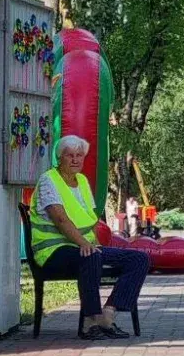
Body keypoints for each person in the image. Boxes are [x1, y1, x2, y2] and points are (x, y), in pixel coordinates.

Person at [30, 135, 151, 340]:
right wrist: (84, 243)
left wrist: (90, 244)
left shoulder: (83, 181)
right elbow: (60, 219)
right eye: (70, 156)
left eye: (80, 156)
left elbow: (88, 219)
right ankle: (90, 320)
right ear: (60, 157)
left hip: (82, 246)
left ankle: (108, 314)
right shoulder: (48, 180)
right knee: (91, 256)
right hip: (53, 251)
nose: (75, 160)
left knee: (140, 259)